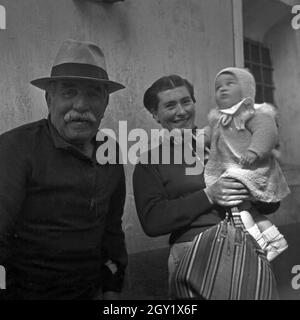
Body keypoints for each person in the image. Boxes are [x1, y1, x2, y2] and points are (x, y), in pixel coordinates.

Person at [0, 39, 128, 299]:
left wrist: (112, 290)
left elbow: (112, 233)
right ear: (50, 99)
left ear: (105, 103)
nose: (81, 106)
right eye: (69, 92)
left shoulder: (111, 152)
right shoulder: (15, 147)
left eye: (93, 93)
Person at [133, 74, 279, 296]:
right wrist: (209, 196)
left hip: (249, 247)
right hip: (192, 255)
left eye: (186, 101)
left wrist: (251, 189)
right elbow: (153, 222)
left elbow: (273, 202)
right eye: (170, 105)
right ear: (156, 114)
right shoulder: (150, 162)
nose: (181, 111)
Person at [204, 67, 290, 261]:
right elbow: (210, 135)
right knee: (248, 209)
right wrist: (197, 139)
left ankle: (259, 245)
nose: (223, 89)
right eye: (218, 87)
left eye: (230, 84)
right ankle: (276, 241)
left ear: (246, 88)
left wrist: (254, 151)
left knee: (237, 208)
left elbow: (266, 133)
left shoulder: (253, 113)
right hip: (239, 169)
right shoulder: (219, 119)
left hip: (252, 168)